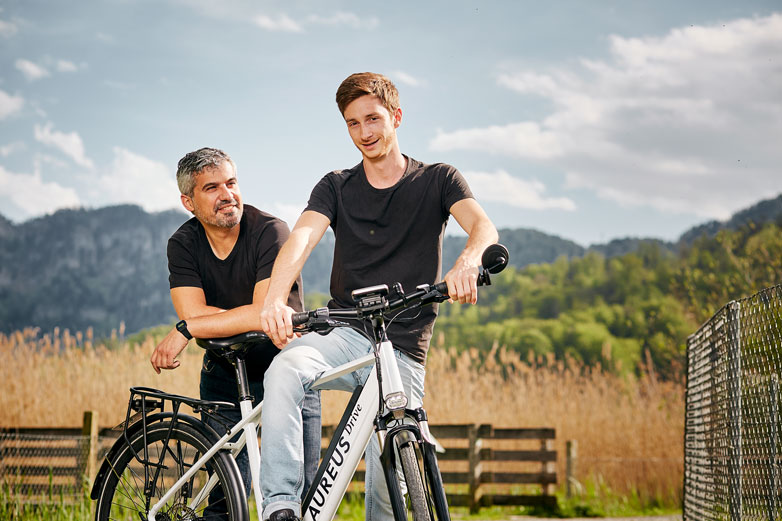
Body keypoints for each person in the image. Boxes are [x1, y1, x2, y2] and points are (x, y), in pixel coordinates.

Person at [258, 72, 499, 521]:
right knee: (285, 370)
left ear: (397, 117)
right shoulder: (335, 186)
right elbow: (302, 239)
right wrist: (275, 299)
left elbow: (483, 228)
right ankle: (281, 507)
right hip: (344, 334)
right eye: (353, 124)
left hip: (404, 347)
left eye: (373, 119)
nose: (364, 133)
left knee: (390, 494)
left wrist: (467, 261)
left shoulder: (438, 179)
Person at [149, 147, 321, 517]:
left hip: (288, 370)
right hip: (224, 374)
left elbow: (264, 312)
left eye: (231, 182)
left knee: (303, 499)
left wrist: (191, 327)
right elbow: (199, 309)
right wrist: (212, 318)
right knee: (226, 499)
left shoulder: (271, 232)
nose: (227, 194)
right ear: (188, 201)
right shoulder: (183, 243)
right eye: (212, 187)